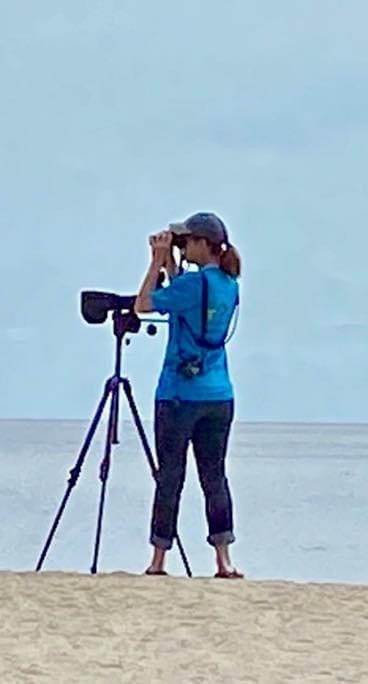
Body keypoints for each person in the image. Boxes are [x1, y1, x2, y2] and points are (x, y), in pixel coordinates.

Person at [134, 211, 243, 579]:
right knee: (214, 476)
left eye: (186, 241)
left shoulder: (192, 286)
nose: (182, 247)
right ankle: (224, 560)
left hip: (179, 394)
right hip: (218, 394)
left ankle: (158, 560)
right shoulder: (228, 284)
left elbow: (144, 304)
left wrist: (155, 264)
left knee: (171, 476)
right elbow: (194, 301)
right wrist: (171, 264)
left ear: (201, 243)